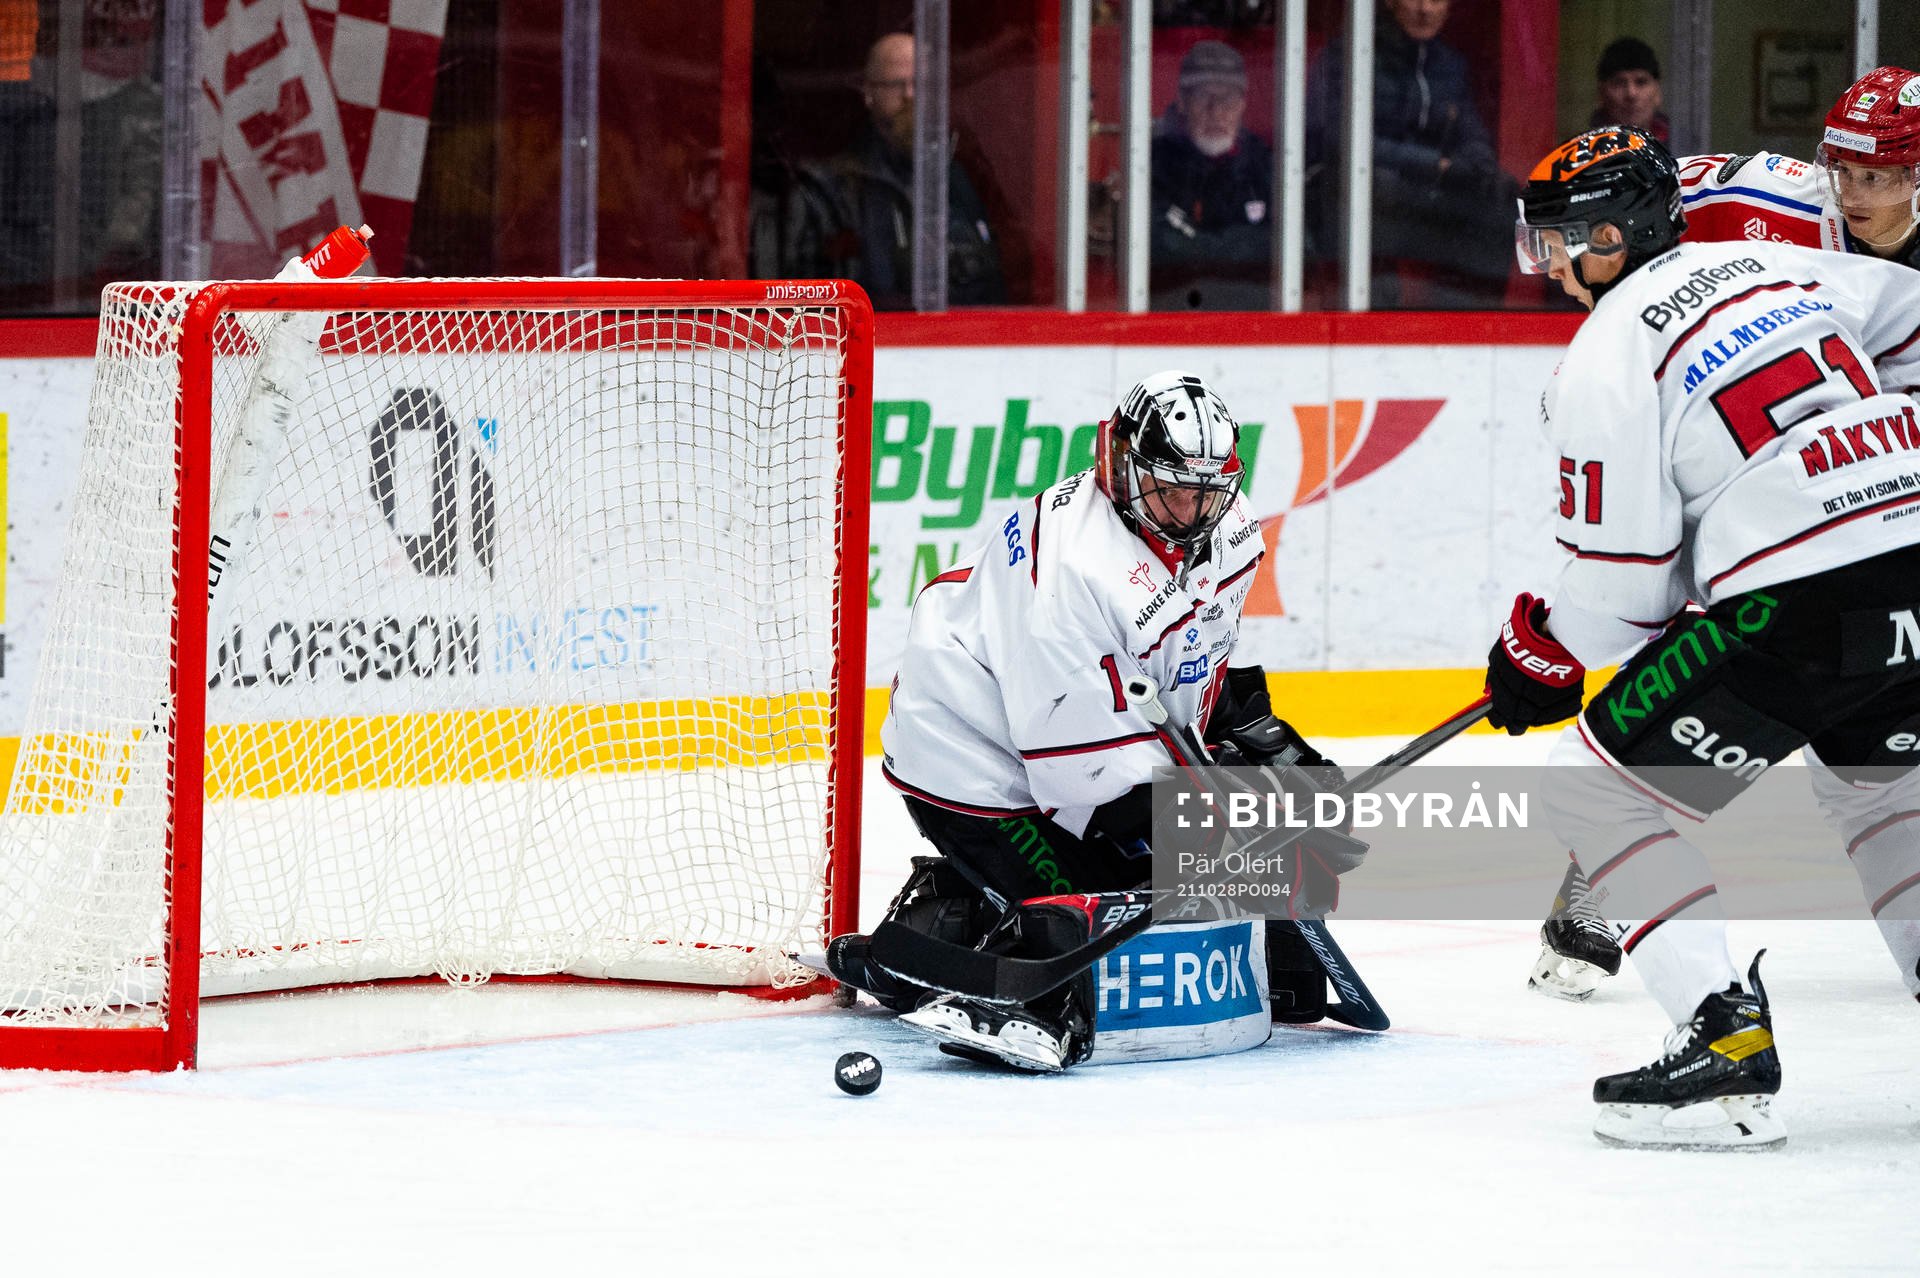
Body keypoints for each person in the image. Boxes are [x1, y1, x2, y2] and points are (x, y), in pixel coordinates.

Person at [1492, 125, 1920, 1147]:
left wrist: (1540, 649)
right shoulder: (1775, 262)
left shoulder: (1603, 355)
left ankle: (1722, 1042)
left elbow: (1621, 599)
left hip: (1796, 605)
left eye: (1557, 241)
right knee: (1880, 784)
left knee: (1592, 787)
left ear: (1609, 234)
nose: (1546, 263)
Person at [831, 370, 1356, 1070]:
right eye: (1171, 491)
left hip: (1061, 733)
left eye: (1206, 492)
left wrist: (1248, 739)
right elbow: (1095, 794)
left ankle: (962, 903)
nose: (1190, 512)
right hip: (971, 757)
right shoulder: (1074, 573)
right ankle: (935, 936)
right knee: (1099, 900)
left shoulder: (1221, 525)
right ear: (1121, 463)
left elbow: (1187, 661)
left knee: (1203, 851)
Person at [1305, 0, 1515, 308]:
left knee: (1501, 191)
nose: (1425, 9)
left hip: (1429, 188)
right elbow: (1342, 139)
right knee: (1376, 185)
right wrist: (1433, 165)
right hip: (1360, 189)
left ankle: (1468, 315)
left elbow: (1471, 130)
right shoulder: (1351, 54)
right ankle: (1373, 311)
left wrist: (1478, 164)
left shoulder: (1450, 64)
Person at [816, 32, 1004, 309]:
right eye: (896, 84)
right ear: (868, 93)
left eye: (921, 84)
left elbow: (995, 280)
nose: (910, 95)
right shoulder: (839, 186)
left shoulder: (962, 174)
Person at [1150, 40, 1274, 310]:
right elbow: (1155, 245)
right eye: (1204, 97)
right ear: (1182, 102)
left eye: (1227, 98)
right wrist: (1243, 245)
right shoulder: (1153, 162)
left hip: (1254, 314)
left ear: (1242, 104)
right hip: (1170, 314)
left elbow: (1295, 243)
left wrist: (1198, 246)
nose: (1216, 111)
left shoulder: (1264, 163)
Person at [1588, 37, 1668, 143]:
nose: (1631, 94)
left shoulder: (1683, 143)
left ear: (1657, 92)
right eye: (1619, 83)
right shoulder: (1583, 150)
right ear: (1601, 94)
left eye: (1641, 82)